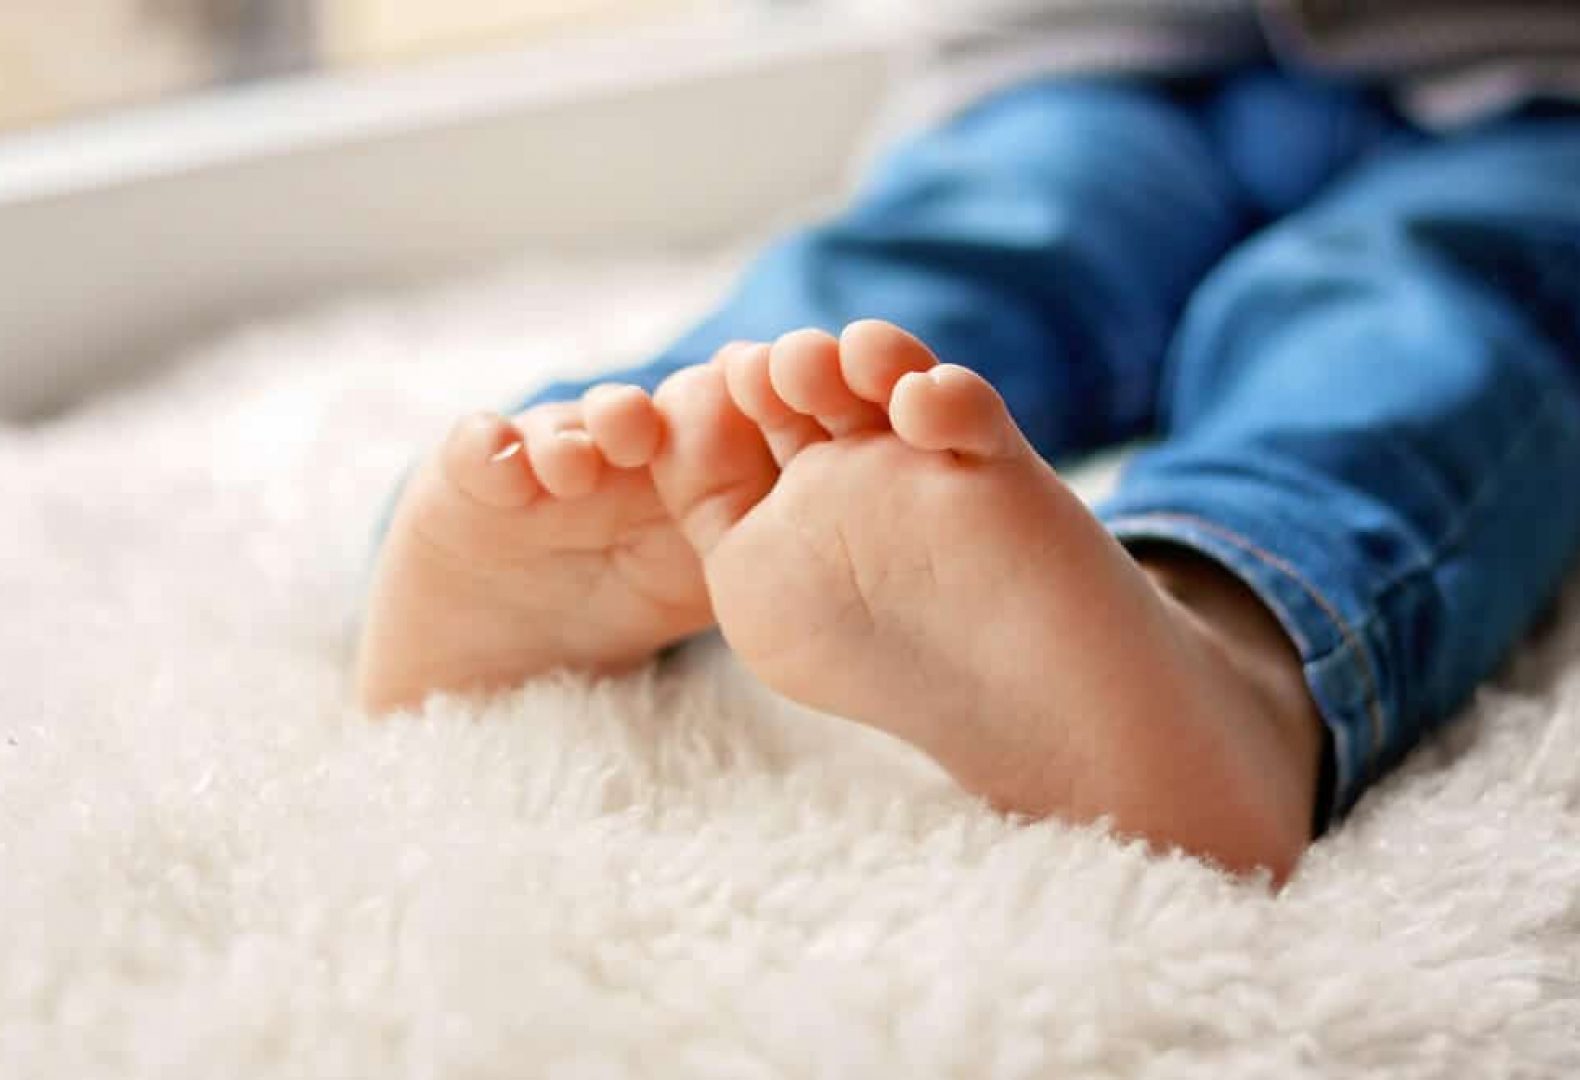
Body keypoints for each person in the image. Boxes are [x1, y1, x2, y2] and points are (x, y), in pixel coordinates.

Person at [353, 1, 1580, 884]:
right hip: (1088, 53)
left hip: (1540, 88)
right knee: (915, 294)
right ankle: (638, 489)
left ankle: (1232, 650)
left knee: (1409, 306)